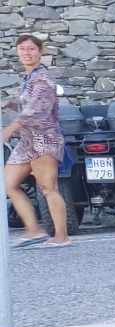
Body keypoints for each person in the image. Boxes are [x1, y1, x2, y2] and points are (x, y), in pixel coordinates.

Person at [2, 34, 70, 249]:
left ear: (40, 52)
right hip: (27, 142)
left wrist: (8, 131)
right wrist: (8, 104)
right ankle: (34, 230)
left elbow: (35, 111)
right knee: (8, 185)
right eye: (22, 49)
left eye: (31, 49)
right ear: (17, 52)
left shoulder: (42, 80)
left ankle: (61, 237)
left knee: (48, 188)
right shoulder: (28, 79)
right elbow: (25, 103)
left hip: (44, 139)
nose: (27, 53)